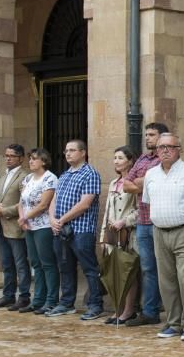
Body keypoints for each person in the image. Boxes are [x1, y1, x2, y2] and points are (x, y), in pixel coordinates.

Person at [142, 133, 184, 341]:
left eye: (170, 146)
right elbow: (147, 202)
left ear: (179, 149)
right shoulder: (151, 174)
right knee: (166, 281)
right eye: (161, 147)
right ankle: (172, 322)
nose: (165, 150)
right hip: (159, 231)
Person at [47, 139, 103, 319]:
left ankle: (95, 305)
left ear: (83, 152)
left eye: (72, 150)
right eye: (66, 151)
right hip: (61, 230)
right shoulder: (64, 175)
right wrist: (52, 219)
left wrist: (61, 220)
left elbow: (85, 204)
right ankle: (66, 303)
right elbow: (54, 200)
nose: (68, 154)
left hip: (81, 230)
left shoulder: (90, 174)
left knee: (89, 268)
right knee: (65, 267)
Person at [123, 122, 168, 328]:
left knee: (166, 269)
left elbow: (151, 182)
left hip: (160, 220)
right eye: (146, 134)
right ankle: (150, 311)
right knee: (147, 268)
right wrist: (143, 182)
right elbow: (127, 184)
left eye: (152, 134)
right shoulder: (142, 158)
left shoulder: (166, 159)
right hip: (142, 220)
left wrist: (142, 182)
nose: (147, 138)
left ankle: (169, 309)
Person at [0, 144, 31, 310]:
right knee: (6, 263)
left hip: (15, 226)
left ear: (21, 158)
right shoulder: (3, 177)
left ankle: (24, 296)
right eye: (6, 155)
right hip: (1, 226)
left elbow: (23, 203)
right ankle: (8, 295)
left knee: (20, 263)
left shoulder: (25, 176)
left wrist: (3, 211)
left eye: (12, 156)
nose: (8, 158)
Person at [100, 146, 139, 325]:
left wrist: (125, 222)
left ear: (130, 161)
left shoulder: (134, 183)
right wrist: (103, 235)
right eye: (114, 157)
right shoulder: (114, 183)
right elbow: (107, 211)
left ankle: (129, 310)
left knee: (128, 272)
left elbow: (140, 210)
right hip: (112, 235)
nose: (116, 161)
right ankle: (118, 309)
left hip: (128, 234)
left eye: (120, 158)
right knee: (114, 272)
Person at [17, 148, 58, 314]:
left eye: (34, 159)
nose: (31, 161)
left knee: (47, 263)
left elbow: (43, 204)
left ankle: (51, 300)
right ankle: (38, 299)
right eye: (30, 159)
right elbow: (21, 201)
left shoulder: (50, 178)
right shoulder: (28, 178)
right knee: (35, 263)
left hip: (43, 226)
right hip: (29, 225)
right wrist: (22, 218)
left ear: (44, 161)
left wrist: (24, 217)